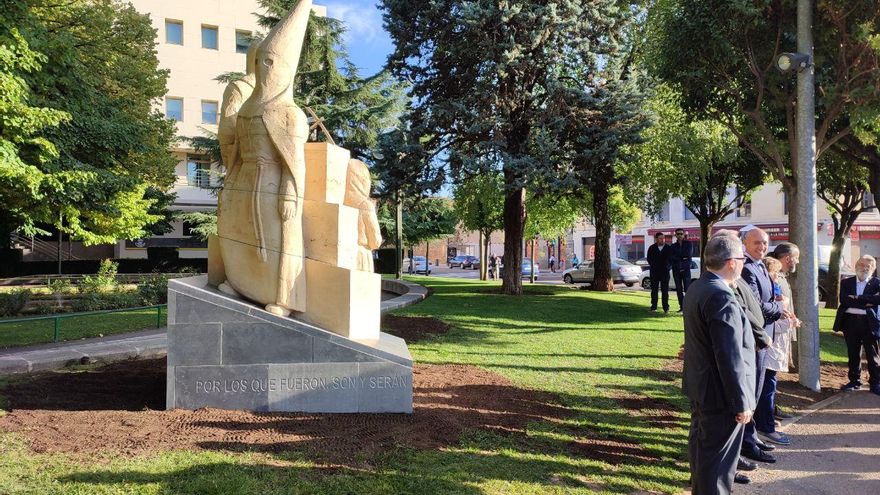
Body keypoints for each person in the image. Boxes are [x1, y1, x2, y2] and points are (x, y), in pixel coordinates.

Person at [683, 231, 756, 494]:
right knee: (717, 465)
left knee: (704, 455)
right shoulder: (720, 295)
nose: (744, 264)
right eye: (742, 258)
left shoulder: (699, 286)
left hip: (702, 387)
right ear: (731, 262)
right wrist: (741, 402)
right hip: (720, 394)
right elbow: (729, 354)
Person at [740, 228, 792, 452]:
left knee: (758, 389)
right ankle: (747, 440)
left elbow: (768, 299)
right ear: (745, 243)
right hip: (755, 337)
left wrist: (777, 305)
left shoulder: (761, 266)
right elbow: (759, 308)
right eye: (756, 243)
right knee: (751, 392)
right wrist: (780, 307)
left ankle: (752, 436)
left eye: (764, 243)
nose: (761, 247)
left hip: (766, 337)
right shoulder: (747, 268)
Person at [758, 256, 798, 442]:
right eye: (775, 272)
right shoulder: (766, 293)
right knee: (767, 387)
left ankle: (768, 421)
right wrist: (788, 323)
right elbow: (768, 323)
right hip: (769, 347)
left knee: (770, 386)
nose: (777, 276)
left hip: (775, 347)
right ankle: (765, 426)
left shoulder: (775, 290)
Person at [833, 255, 880, 395]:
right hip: (850, 322)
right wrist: (867, 301)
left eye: (868, 266)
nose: (864, 268)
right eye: (862, 265)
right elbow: (845, 300)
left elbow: (877, 300)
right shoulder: (847, 282)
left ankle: (876, 383)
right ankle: (854, 381)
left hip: (869, 322)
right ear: (856, 266)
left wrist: (858, 298)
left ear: (873, 269)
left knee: (873, 355)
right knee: (853, 353)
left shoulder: (877, 283)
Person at [668, 228, 694, 312]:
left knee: (687, 289)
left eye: (681, 234)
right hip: (676, 270)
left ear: (684, 235)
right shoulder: (673, 246)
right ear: (675, 235)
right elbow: (671, 257)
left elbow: (688, 254)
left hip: (686, 269)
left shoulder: (689, 244)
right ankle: (681, 307)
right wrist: (682, 257)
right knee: (678, 289)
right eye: (678, 234)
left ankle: (688, 307)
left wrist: (679, 257)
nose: (679, 235)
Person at [647, 232, 671, 313]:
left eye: (663, 238)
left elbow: (671, 259)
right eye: (660, 238)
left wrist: (668, 267)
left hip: (665, 272)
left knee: (665, 290)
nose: (662, 240)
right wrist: (654, 266)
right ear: (656, 239)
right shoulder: (652, 248)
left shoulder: (668, 248)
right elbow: (649, 259)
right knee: (654, 290)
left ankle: (666, 307)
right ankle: (654, 306)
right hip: (654, 272)